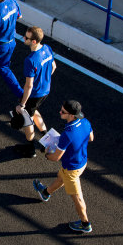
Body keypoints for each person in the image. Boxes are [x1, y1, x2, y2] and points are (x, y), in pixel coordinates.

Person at [33, 100, 94, 233]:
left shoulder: (68, 134)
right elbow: (91, 138)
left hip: (72, 168)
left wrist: (46, 153)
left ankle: (85, 224)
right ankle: (45, 193)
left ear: (71, 115)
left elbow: (55, 158)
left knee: (77, 198)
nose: (59, 112)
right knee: (61, 177)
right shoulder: (85, 122)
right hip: (82, 162)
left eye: (63, 112)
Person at [14, 26, 57, 158]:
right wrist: (44, 80)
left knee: (27, 117)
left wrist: (22, 104)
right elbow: (54, 66)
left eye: (26, 37)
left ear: (33, 41)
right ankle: (46, 137)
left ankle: (30, 147)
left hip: (35, 93)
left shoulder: (30, 60)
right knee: (34, 111)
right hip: (46, 90)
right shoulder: (47, 48)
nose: (23, 38)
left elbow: (29, 85)